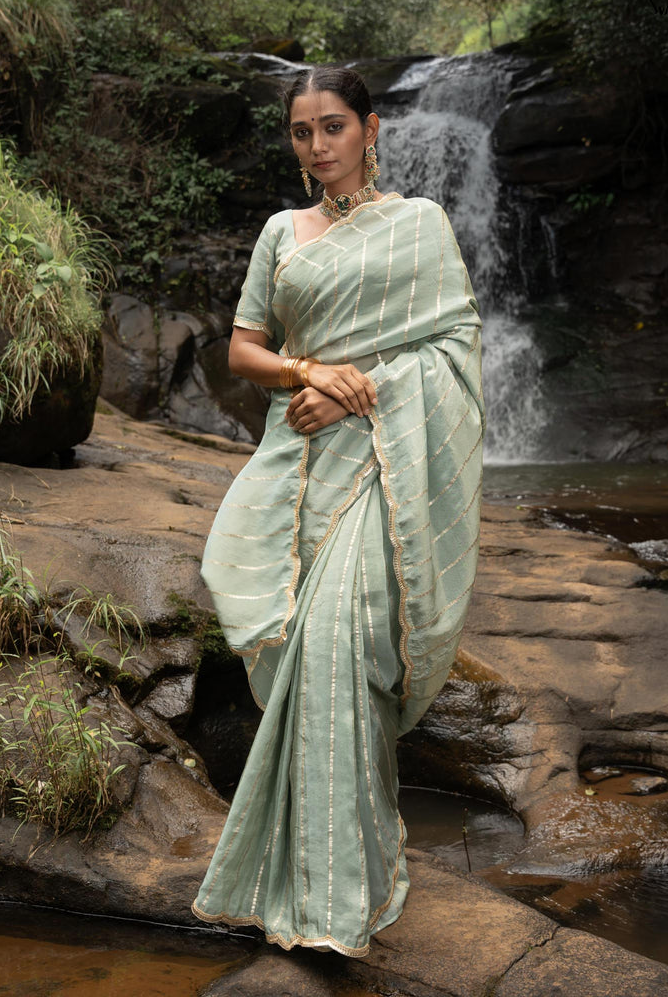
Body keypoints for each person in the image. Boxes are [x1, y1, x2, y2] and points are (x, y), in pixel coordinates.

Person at [191, 65, 484, 957]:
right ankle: (315, 869)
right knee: (301, 656)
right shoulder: (282, 232)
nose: (317, 146)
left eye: (333, 127)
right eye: (301, 131)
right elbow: (244, 350)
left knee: (344, 644)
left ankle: (337, 899)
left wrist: (369, 387)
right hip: (303, 468)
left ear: (370, 128)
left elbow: (456, 344)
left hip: (385, 471)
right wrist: (307, 371)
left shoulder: (421, 224)